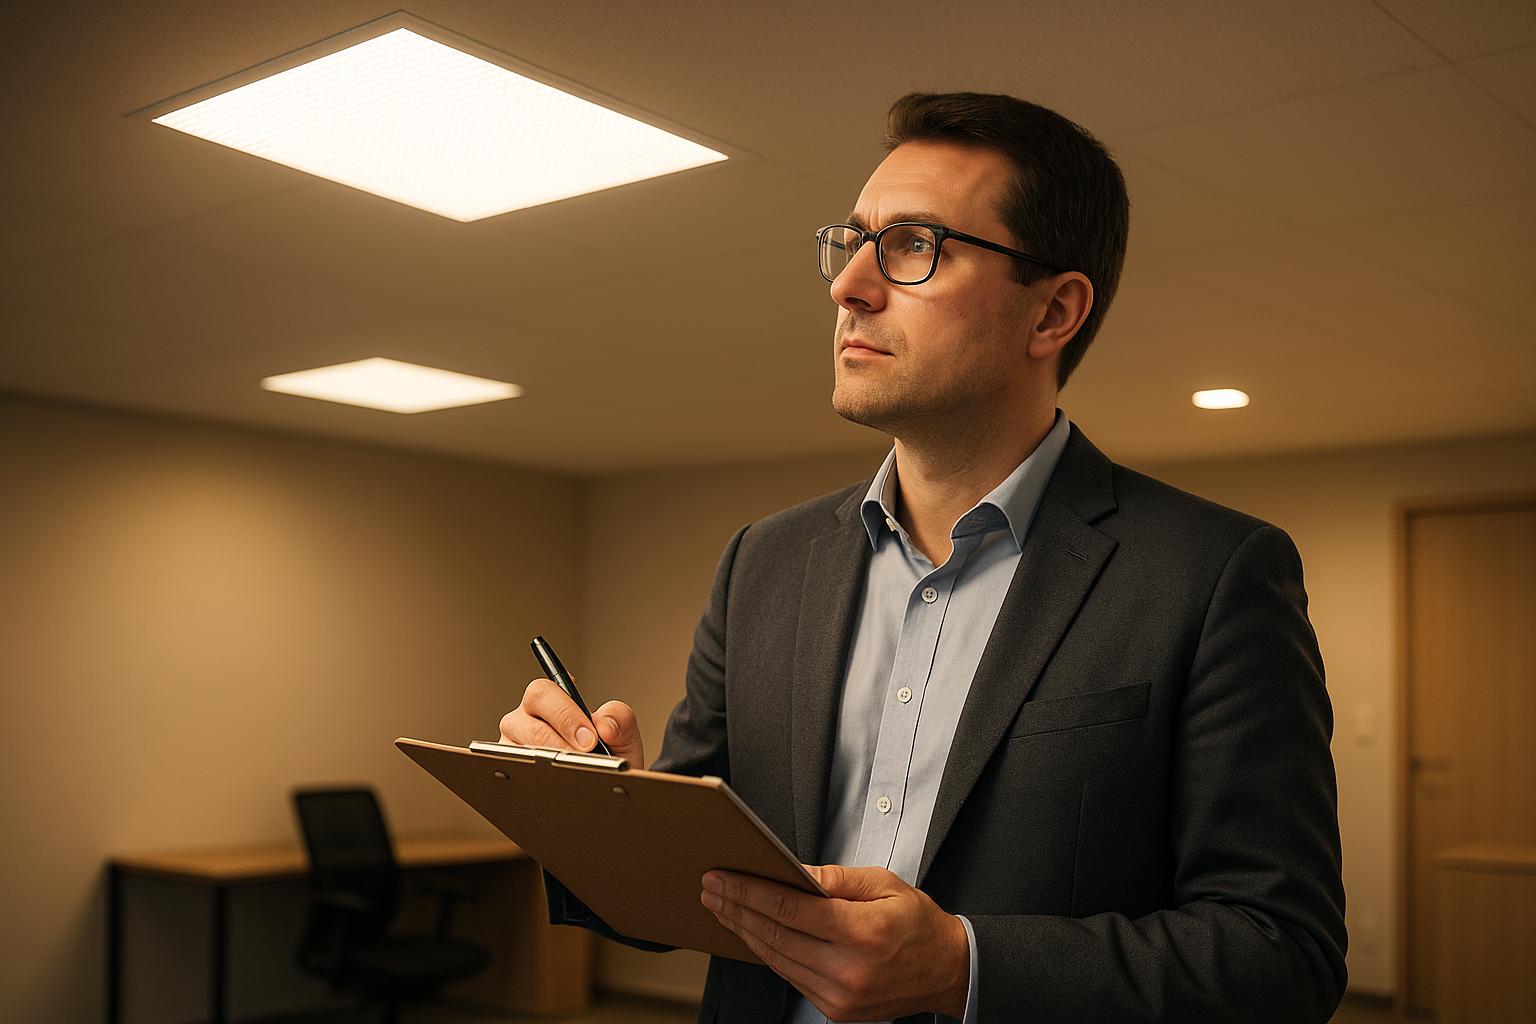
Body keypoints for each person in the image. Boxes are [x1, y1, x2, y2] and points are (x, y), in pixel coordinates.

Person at [499, 92, 1347, 1024]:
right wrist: (603, 813)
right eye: (853, 240)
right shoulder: (763, 564)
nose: (848, 286)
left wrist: (964, 966)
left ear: (1053, 312)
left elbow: (1282, 953)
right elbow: (701, 889)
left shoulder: (1214, 574)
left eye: (913, 246)